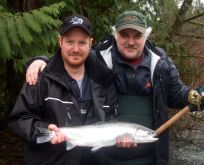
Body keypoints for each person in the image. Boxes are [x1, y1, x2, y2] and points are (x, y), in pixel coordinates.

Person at [24, 11, 204, 165]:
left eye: (137, 36)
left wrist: (191, 95)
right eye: (125, 35)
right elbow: (71, 55)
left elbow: (175, 93)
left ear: (146, 36)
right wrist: (40, 61)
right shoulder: (98, 58)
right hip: (103, 155)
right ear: (115, 35)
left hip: (151, 155)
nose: (131, 41)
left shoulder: (161, 62)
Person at [9, 14, 122, 165]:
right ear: (60, 41)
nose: (76, 49)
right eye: (70, 42)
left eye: (82, 42)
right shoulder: (40, 78)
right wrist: (44, 129)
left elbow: (112, 121)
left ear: (90, 43)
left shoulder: (104, 81)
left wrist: (121, 137)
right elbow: (20, 118)